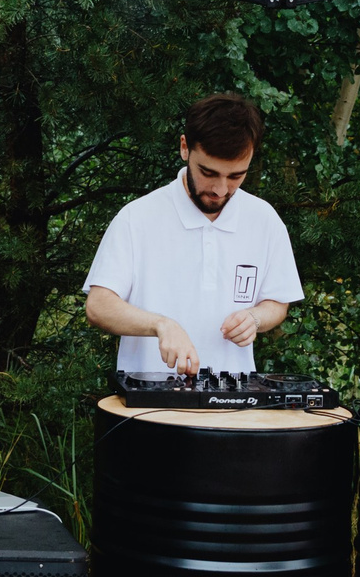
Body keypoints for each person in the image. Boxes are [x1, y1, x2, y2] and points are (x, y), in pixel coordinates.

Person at [84, 93, 304, 376]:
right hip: (150, 406)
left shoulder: (265, 221)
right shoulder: (136, 218)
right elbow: (99, 305)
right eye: (208, 172)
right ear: (185, 147)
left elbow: (276, 302)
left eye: (236, 176)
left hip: (234, 409)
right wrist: (161, 325)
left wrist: (255, 318)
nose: (221, 189)